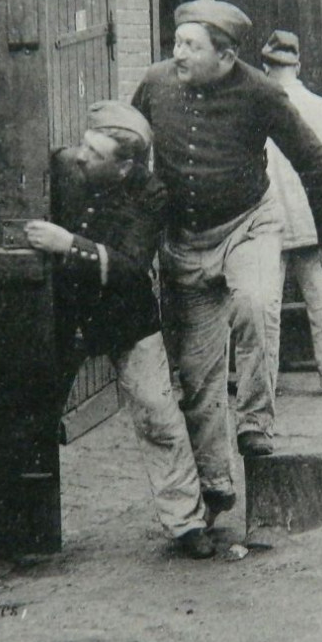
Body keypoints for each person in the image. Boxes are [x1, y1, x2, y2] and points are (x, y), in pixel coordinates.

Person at [131, 0, 322, 527]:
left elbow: (312, 157)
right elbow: (130, 142)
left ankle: (256, 423)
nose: (177, 53)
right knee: (199, 375)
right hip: (185, 242)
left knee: (253, 304)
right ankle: (217, 485)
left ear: (226, 56)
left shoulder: (260, 92)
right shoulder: (156, 83)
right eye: (176, 42)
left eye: (191, 45)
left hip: (249, 225)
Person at [23, 102, 214, 558]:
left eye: (96, 153)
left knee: (157, 415)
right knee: (31, 411)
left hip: (126, 317)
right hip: (64, 313)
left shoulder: (152, 195)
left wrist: (68, 244)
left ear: (125, 165)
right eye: (85, 145)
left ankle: (186, 522)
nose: (81, 156)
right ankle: (19, 527)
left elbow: (129, 266)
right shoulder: (63, 163)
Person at [260, 29, 322, 395]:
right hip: (317, 221)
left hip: (269, 222)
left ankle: (262, 384)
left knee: (265, 311)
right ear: (297, 65)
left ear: (265, 66)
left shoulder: (259, 105)